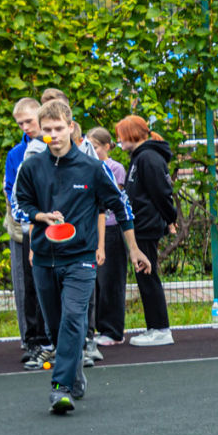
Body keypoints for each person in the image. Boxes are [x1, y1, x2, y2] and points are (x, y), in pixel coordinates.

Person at [13, 100, 151, 414]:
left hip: (81, 259)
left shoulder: (93, 168)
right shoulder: (31, 166)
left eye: (58, 128)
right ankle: (73, 375)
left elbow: (120, 206)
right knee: (55, 328)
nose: (53, 135)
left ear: (71, 127)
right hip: (44, 259)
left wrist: (134, 248)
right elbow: (18, 206)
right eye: (47, 130)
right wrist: (39, 216)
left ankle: (60, 387)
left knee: (74, 319)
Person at [116, 115, 178, 347]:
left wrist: (170, 218)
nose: (119, 141)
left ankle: (160, 328)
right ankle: (155, 326)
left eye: (121, 136)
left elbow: (161, 192)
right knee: (145, 276)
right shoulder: (140, 157)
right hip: (140, 223)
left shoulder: (148, 158)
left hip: (146, 225)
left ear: (131, 134)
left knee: (148, 275)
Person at [3, 97, 52, 367]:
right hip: (28, 227)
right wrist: (24, 216)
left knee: (53, 283)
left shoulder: (55, 145)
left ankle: (56, 338)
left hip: (55, 226)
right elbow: (12, 190)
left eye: (29, 121)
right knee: (30, 285)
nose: (25, 127)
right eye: (20, 123)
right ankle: (33, 339)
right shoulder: (15, 154)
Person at [86, 128, 130, 346]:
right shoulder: (87, 167)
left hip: (111, 229)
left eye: (95, 147)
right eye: (88, 147)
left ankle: (113, 330)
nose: (91, 151)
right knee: (95, 283)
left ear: (106, 146)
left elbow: (113, 199)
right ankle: (96, 327)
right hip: (93, 230)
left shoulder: (115, 168)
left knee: (111, 281)